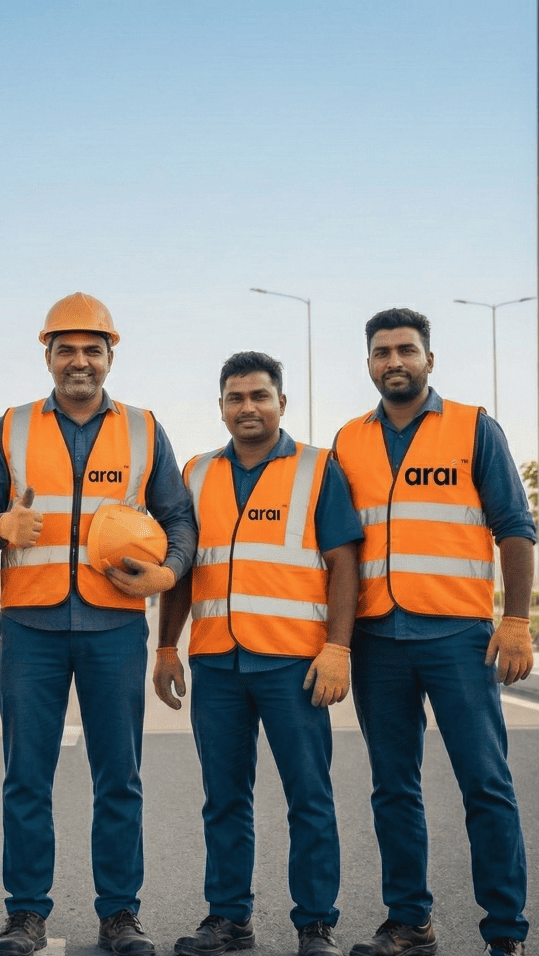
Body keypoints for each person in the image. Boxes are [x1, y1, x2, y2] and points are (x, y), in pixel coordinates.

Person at [0, 292, 198, 956]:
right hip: (30, 626)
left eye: (93, 349)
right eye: (66, 348)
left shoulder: (146, 429)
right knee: (26, 776)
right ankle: (25, 914)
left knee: (118, 777)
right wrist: (0, 525)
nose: (80, 360)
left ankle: (120, 914)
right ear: (47, 355)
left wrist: (167, 574)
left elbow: (178, 518)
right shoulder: (10, 426)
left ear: (110, 356)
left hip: (116, 627)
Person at [334, 308, 534, 956]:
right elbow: (335, 548)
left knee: (486, 784)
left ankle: (505, 932)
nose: (395, 361)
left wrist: (515, 622)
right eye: (383, 352)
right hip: (377, 642)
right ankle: (409, 923)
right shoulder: (348, 440)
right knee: (394, 788)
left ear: (429, 358)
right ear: (369, 363)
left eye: (407, 350)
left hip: (457, 637)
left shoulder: (474, 427)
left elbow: (515, 527)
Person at [153, 351, 361, 956]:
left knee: (309, 797)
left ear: (281, 403)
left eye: (259, 396)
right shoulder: (193, 473)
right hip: (216, 662)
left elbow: (343, 561)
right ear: (221, 406)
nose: (248, 407)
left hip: (295, 664)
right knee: (224, 799)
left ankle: (316, 923)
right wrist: (167, 645)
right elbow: (183, 570)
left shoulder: (318, 469)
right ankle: (228, 920)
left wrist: (339, 647)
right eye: (236, 398)